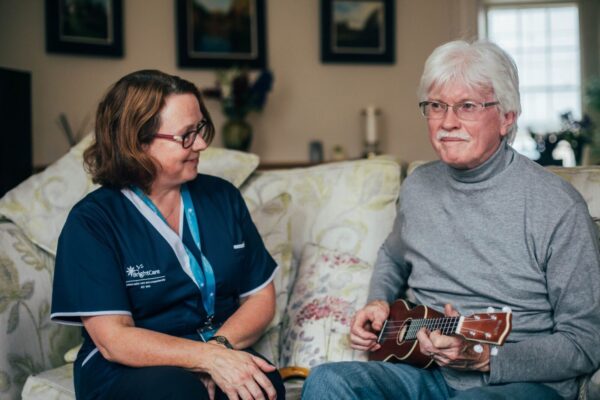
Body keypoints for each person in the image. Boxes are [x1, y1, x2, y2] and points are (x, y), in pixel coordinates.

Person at [302, 40, 600, 400]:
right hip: (427, 375)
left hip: (518, 385)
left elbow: (586, 342)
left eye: (467, 106)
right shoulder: (417, 187)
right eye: (436, 106)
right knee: (326, 382)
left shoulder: (557, 207)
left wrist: (485, 357)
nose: (447, 122)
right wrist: (379, 301)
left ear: (507, 117)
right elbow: (392, 256)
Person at [50, 70, 285, 400]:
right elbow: (113, 339)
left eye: (201, 128)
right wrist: (203, 359)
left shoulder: (223, 197)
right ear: (138, 142)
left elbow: (260, 298)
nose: (201, 144)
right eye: (187, 135)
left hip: (216, 344)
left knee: (262, 386)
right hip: (129, 365)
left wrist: (218, 351)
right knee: (175, 392)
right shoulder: (93, 221)